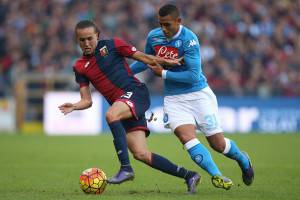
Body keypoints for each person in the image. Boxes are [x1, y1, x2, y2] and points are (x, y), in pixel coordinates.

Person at [58, 20, 201, 194]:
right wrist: (74, 106)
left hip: (135, 93)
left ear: (97, 36)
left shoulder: (113, 45)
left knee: (111, 115)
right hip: (123, 106)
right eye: (82, 40)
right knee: (141, 153)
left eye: (89, 38)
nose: (86, 43)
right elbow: (87, 100)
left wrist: (167, 62)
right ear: (77, 40)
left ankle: (125, 168)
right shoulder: (79, 66)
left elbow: (145, 57)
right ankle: (189, 175)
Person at [131, 4, 254, 189]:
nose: (163, 29)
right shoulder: (153, 36)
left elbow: (193, 76)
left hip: (198, 94)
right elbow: (147, 61)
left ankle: (242, 159)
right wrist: (124, 74)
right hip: (174, 99)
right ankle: (217, 175)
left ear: (178, 21)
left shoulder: (189, 40)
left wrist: (163, 74)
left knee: (218, 145)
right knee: (185, 136)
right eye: (160, 24)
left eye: (167, 24)